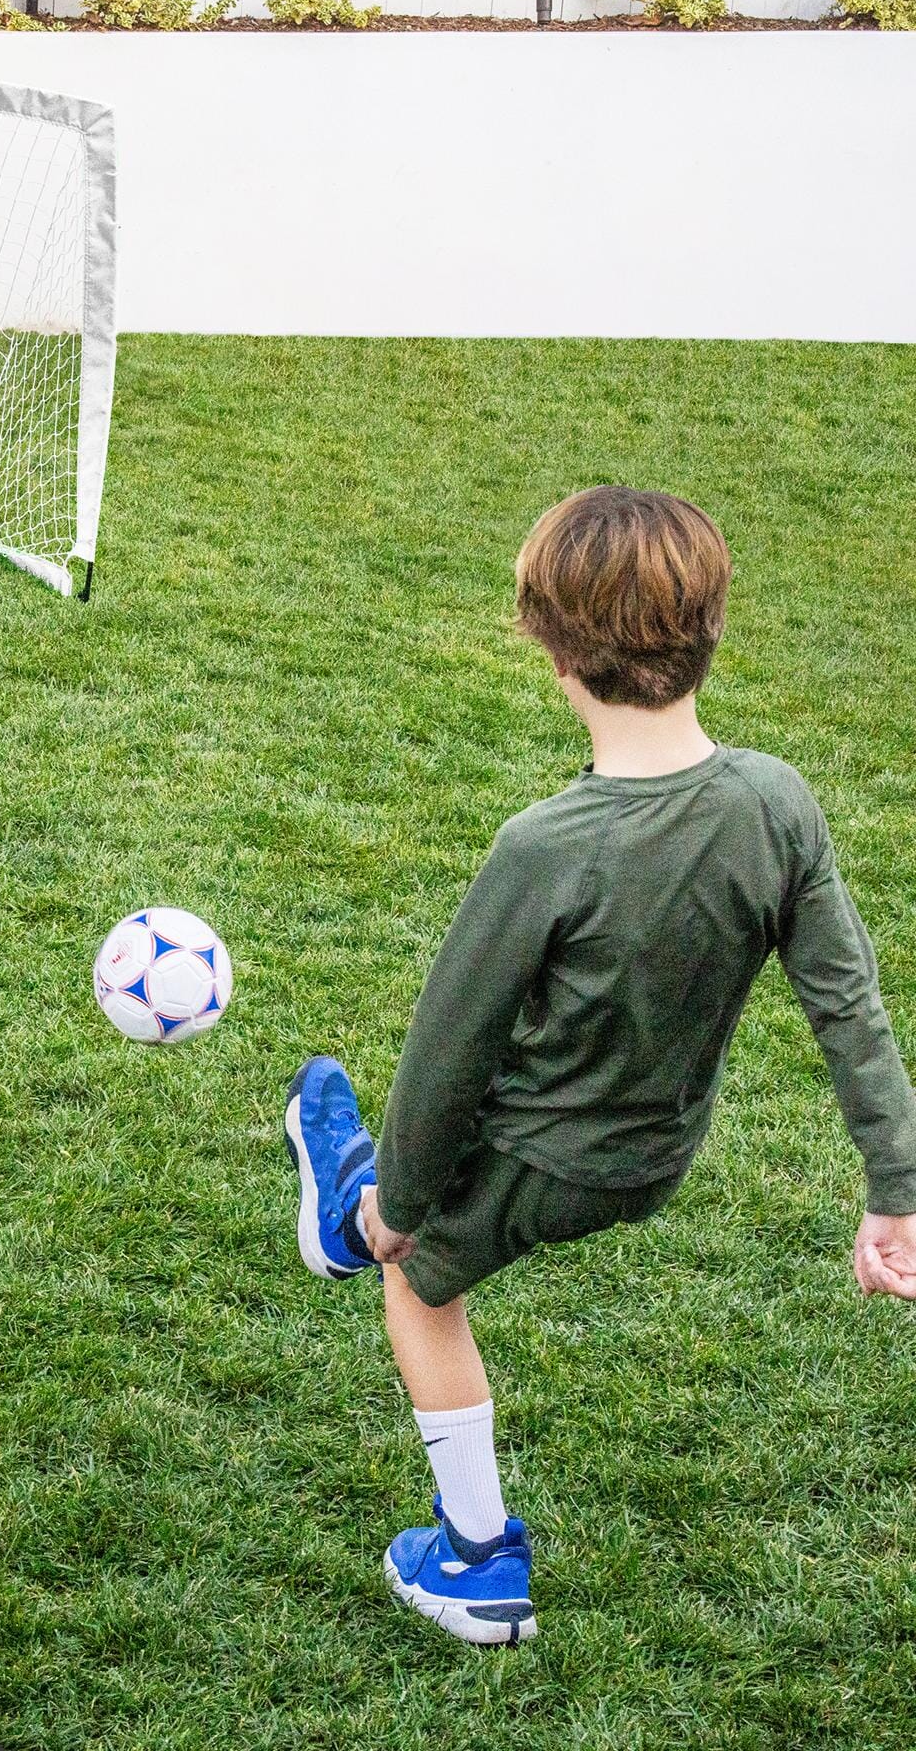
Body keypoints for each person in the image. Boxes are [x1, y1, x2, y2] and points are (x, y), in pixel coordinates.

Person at [284, 485, 916, 1646]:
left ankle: (473, 1558)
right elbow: (847, 1007)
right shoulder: (775, 802)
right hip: (654, 1156)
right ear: (712, 626)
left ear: (551, 649)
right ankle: (350, 1200)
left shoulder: (543, 848)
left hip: (540, 1155)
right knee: (401, 1196)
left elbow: (444, 1059)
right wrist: (895, 1191)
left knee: (414, 1284)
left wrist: (403, 1210)